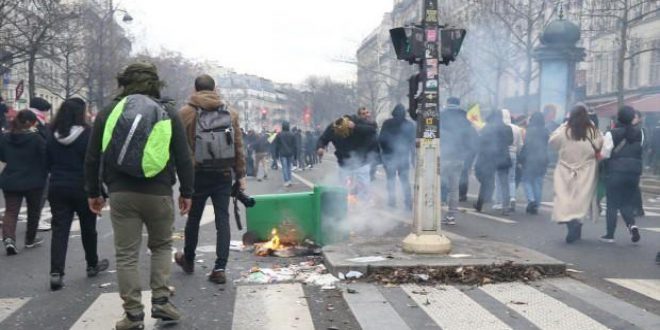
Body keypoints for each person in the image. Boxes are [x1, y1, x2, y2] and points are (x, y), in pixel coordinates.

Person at [84, 62, 194, 329]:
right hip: (159, 193)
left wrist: (94, 192)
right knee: (161, 247)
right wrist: (187, 192)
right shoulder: (167, 110)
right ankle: (161, 302)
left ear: (125, 82)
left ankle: (133, 315)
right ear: (155, 83)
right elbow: (183, 156)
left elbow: (92, 157)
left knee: (126, 255)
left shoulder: (109, 111)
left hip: (121, 193)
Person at [175, 74, 246, 284]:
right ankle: (220, 268)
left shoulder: (185, 113)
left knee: (194, 218)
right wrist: (240, 174)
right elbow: (238, 146)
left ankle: (188, 260)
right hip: (223, 173)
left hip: (196, 174)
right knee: (222, 219)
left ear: (195, 89)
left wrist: (179, 176)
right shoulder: (230, 113)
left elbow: (178, 147)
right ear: (215, 88)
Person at [47, 98, 109, 291]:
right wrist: (98, 190)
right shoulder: (89, 134)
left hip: (57, 185)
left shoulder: (51, 133)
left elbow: (47, 160)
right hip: (83, 186)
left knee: (59, 230)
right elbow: (94, 163)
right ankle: (92, 264)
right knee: (88, 228)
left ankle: (56, 272)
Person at [550, 104, 602, 244]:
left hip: (565, 169)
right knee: (580, 199)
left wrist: (563, 125)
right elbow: (599, 145)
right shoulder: (592, 130)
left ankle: (570, 222)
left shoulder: (565, 130)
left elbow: (552, 142)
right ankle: (577, 223)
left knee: (565, 198)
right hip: (586, 169)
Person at [0, 110, 47, 255]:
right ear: (31, 123)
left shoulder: (5, 138)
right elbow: (45, 156)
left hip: (11, 178)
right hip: (34, 180)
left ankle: (8, 238)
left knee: (11, 211)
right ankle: (30, 239)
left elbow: (3, 157)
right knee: (34, 210)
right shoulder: (36, 139)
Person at [599, 106, 642, 243]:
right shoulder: (640, 133)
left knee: (612, 203)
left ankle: (610, 234)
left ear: (618, 117)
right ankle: (632, 226)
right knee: (627, 202)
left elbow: (605, 154)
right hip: (634, 172)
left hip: (616, 172)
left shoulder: (612, 133)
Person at [317, 113, 378, 201]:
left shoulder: (358, 122)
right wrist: (320, 147)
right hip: (344, 163)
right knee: (343, 189)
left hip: (361, 162)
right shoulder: (333, 128)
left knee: (363, 188)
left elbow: (372, 130)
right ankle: (344, 207)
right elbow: (323, 139)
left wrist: (356, 127)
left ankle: (364, 207)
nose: (343, 135)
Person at [439, 97, 477, 224]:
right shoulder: (466, 117)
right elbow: (471, 140)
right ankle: (451, 216)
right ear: (458, 104)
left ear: (447, 103)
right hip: (459, 157)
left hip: (443, 156)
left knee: (438, 185)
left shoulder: (441, 115)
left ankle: (434, 215)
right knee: (454, 188)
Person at [474, 109, 513, 214]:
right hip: (503, 157)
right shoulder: (507, 128)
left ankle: (479, 204)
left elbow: (480, 143)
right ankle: (506, 208)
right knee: (504, 184)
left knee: (485, 183)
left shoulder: (486, 128)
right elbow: (510, 142)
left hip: (489, 158)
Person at [378, 104, 415, 210]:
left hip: (389, 156)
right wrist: (412, 156)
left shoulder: (387, 123)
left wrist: (385, 151)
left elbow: (381, 139)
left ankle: (392, 202)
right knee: (405, 180)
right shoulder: (409, 124)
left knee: (391, 180)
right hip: (403, 156)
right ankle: (408, 203)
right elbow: (412, 142)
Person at [29, 97, 53, 232]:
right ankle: (35, 221)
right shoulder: (37, 123)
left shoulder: (27, 119)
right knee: (41, 194)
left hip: (31, 164)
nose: (47, 115)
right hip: (38, 165)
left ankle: (34, 220)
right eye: (46, 112)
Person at [493, 109, 523, 212]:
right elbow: (520, 144)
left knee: (499, 180)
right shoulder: (516, 128)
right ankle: (512, 197)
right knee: (511, 178)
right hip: (513, 154)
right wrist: (517, 153)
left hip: (502, 154)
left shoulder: (498, 127)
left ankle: (499, 202)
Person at [519, 112, 549, 215]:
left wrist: (521, 158)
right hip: (542, 159)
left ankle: (531, 200)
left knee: (526, 180)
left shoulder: (530, 131)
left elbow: (526, 145)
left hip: (530, 159)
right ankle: (536, 204)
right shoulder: (546, 131)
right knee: (538, 182)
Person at [274, 121, 297, 187]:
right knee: (289, 167)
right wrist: (295, 155)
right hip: (290, 153)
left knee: (284, 167)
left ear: (282, 126)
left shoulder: (279, 135)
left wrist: (276, 155)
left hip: (282, 153)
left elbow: (277, 145)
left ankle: (286, 181)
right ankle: (289, 180)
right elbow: (295, 146)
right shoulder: (292, 134)